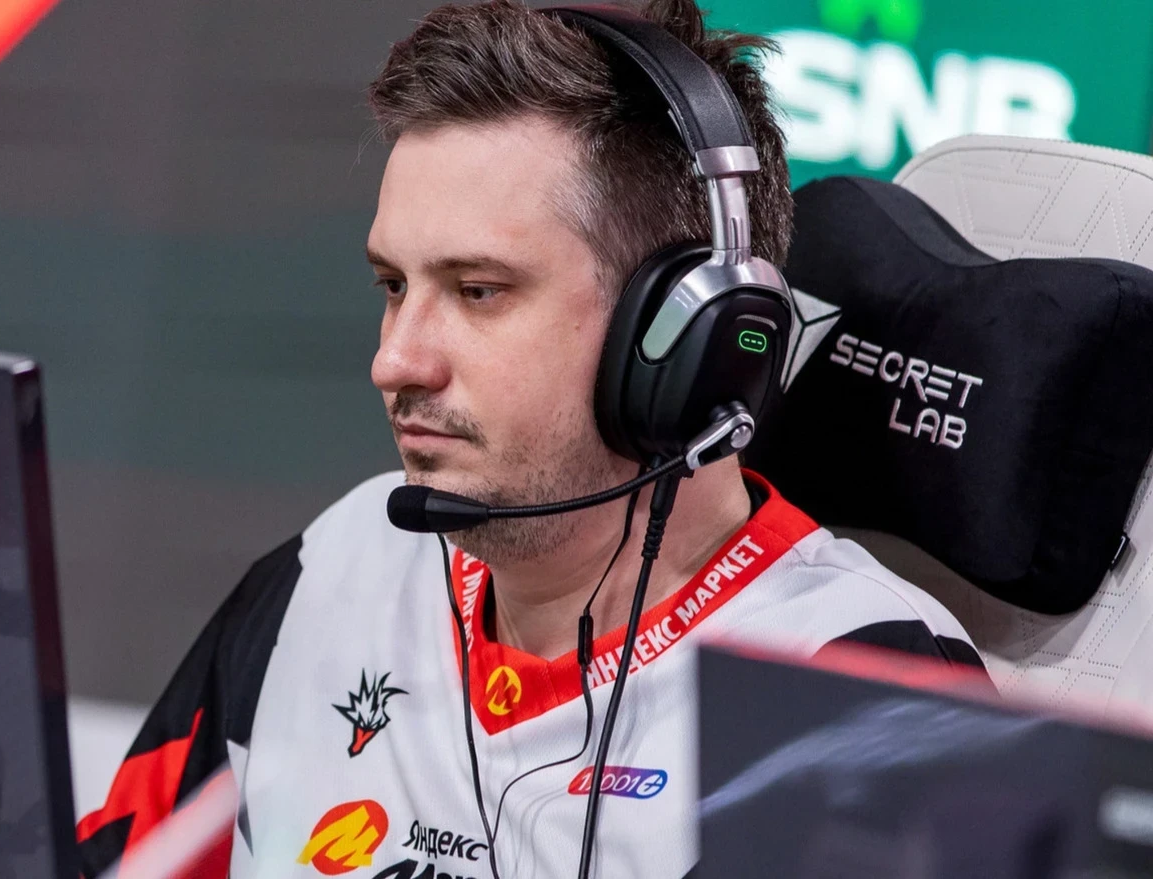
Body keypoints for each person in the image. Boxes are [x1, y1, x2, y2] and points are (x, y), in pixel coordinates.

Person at [77, 1, 984, 877]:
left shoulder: (867, 705)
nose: (395, 361)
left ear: (681, 341)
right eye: (394, 285)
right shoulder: (335, 567)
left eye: (478, 292)